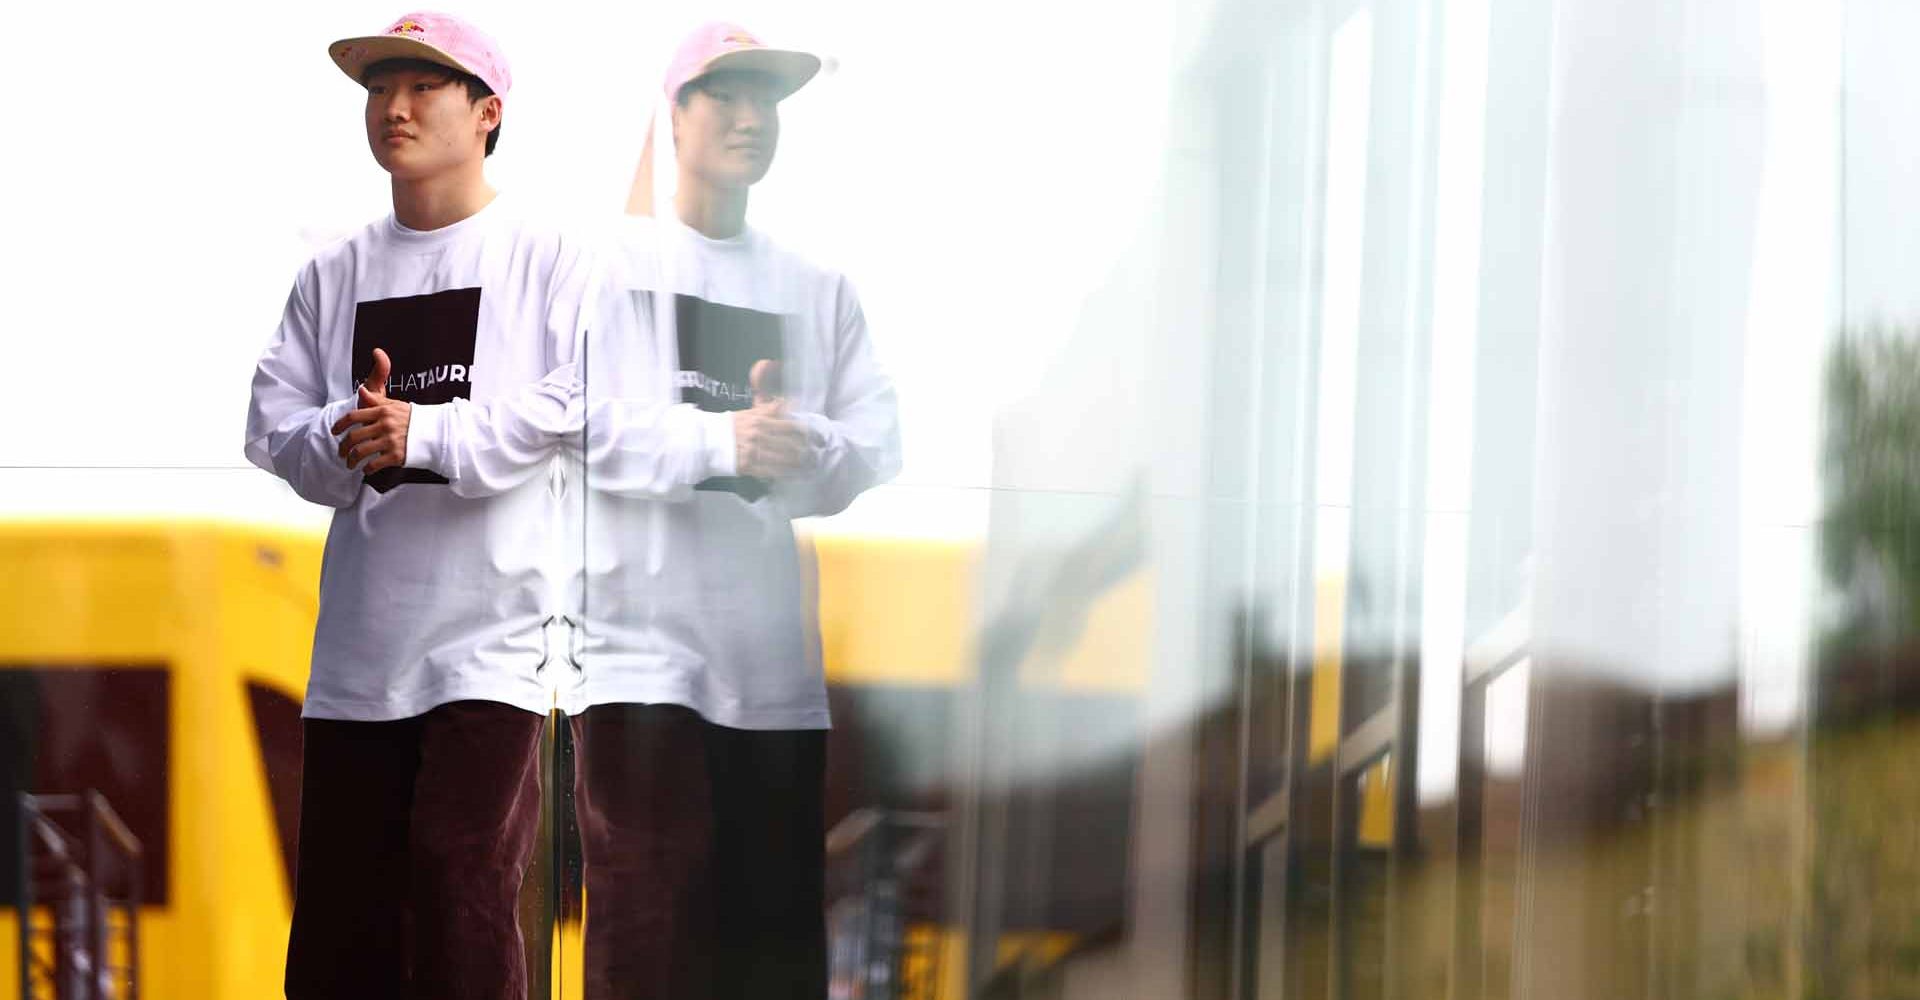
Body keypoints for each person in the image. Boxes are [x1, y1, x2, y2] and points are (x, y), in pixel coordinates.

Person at [243, 12, 589, 999]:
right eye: (378, 88)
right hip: (358, 654)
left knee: (460, 887)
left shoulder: (549, 259)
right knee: (342, 923)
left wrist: (428, 431)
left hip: (496, 643)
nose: (393, 106)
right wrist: (349, 437)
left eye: (422, 87)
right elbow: (273, 428)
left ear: (487, 113)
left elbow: (583, 406)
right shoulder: (333, 272)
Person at [564, 21, 903, 1000]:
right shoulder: (610, 271)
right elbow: (579, 427)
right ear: (674, 115)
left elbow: (876, 443)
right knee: (643, 933)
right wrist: (724, 441)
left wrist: (807, 448)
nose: (751, 117)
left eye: (768, 99)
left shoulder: (817, 288)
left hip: (771, 679)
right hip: (639, 663)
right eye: (726, 95)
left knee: (770, 954)